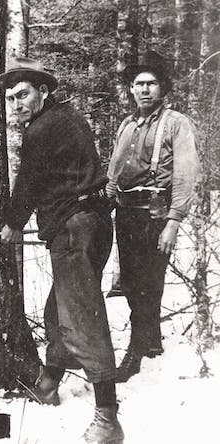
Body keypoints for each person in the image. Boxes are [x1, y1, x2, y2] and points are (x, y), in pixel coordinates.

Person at [0, 58, 123, 444]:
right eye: (10, 99)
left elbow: (29, 182)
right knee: (60, 309)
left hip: (74, 228)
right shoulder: (66, 117)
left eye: (23, 95)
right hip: (89, 222)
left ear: (43, 92)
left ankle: (108, 418)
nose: (16, 104)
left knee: (82, 317)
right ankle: (48, 383)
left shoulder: (43, 128)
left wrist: (13, 223)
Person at [107, 51, 201, 383]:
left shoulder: (176, 123)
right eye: (138, 84)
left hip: (156, 214)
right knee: (132, 283)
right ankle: (151, 342)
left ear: (162, 88)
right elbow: (114, 170)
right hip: (126, 213)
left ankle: (134, 355)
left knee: (148, 283)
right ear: (130, 89)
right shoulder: (127, 124)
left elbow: (185, 175)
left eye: (151, 83)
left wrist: (174, 222)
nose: (145, 90)